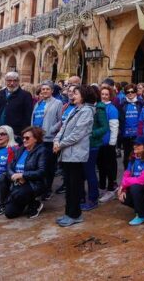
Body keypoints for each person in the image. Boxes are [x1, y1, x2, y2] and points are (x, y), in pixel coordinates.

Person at [53, 84, 95, 227]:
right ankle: (68, 213)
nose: (72, 95)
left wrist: (61, 144)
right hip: (66, 153)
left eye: (76, 93)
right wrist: (56, 140)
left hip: (76, 154)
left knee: (74, 185)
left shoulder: (87, 111)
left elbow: (77, 134)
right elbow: (63, 127)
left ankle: (75, 214)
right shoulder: (74, 110)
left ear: (83, 96)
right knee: (69, 185)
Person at [0, 126, 47, 219]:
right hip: (18, 182)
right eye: (23, 138)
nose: (24, 140)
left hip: (33, 184)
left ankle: (34, 204)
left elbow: (42, 172)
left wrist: (23, 176)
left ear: (36, 139)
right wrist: (14, 175)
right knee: (9, 214)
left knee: (19, 194)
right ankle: (11, 201)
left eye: (27, 138)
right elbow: (10, 165)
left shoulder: (42, 151)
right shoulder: (21, 149)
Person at [0, 71, 33, 143]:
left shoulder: (25, 95)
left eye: (15, 81)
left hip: (15, 134)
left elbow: (28, 116)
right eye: (9, 81)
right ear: (5, 81)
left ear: (18, 81)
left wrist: (23, 133)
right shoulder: (0, 94)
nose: (12, 83)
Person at [31, 81, 63, 199]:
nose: (44, 91)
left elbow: (61, 120)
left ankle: (47, 189)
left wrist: (51, 129)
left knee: (49, 166)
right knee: (39, 165)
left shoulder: (58, 103)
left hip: (49, 139)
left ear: (52, 91)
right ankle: (40, 187)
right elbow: (33, 119)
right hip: (37, 139)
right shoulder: (38, 104)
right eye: (43, 89)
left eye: (47, 89)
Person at [118, 135, 144, 225]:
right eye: (134, 144)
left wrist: (124, 184)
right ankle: (142, 210)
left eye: (138, 144)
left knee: (135, 187)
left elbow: (142, 180)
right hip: (138, 187)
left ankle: (141, 216)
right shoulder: (133, 157)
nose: (135, 146)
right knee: (123, 198)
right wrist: (122, 188)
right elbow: (126, 174)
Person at [82, 88, 109, 211]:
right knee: (84, 172)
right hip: (83, 144)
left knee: (90, 172)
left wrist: (91, 133)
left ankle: (93, 198)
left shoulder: (99, 109)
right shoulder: (84, 107)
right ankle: (85, 196)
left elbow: (104, 127)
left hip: (92, 145)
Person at [96, 85, 120, 203]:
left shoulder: (112, 109)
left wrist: (112, 143)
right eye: (103, 94)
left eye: (106, 94)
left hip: (107, 143)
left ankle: (111, 189)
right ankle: (101, 187)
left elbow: (114, 127)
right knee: (100, 167)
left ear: (110, 96)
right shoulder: (97, 106)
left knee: (109, 167)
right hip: (98, 143)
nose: (104, 96)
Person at [121, 84, 143, 168]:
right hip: (126, 135)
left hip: (137, 135)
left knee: (138, 155)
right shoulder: (122, 104)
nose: (130, 94)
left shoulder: (140, 104)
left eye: (132, 91)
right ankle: (127, 173)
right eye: (128, 92)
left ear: (136, 93)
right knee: (127, 156)